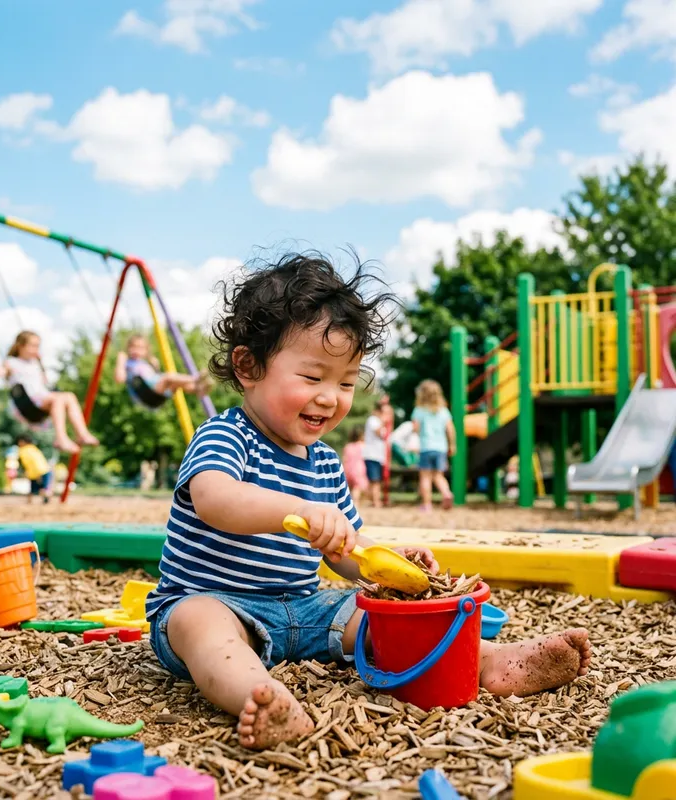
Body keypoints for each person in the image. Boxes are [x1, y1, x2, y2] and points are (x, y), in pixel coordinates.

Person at [144, 251, 591, 752]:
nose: (331, 397)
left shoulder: (326, 463)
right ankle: (260, 695)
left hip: (306, 607)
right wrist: (298, 512)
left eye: (346, 382)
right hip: (214, 599)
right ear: (248, 366)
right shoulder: (226, 435)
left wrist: (388, 564)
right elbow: (215, 500)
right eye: (312, 378)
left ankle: (487, 659)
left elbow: (346, 551)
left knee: (382, 616)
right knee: (202, 627)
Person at [0, 331, 99, 455]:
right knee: (58, 399)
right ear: (20, 346)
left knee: (69, 396)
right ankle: (61, 438)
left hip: (42, 398)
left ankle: (82, 434)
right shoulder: (12, 362)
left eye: (38, 346)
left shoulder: (35, 363)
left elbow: (45, 382)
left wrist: (41, 364)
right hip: (27, 403)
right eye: (33, 346)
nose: (36, 349)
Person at [114, 334, 210, 407]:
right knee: (168, 377)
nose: (136, 350)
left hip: (157, 393)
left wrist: (155, 366)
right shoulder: (127, 362)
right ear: (128, 348)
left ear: (146, 351)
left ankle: (198, 389)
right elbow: (120, 379)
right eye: (133, 347)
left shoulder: (145, 363)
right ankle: (196, 378)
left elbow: (154, 375)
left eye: (140, 348)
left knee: (176, 383)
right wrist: (120, 363)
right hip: (146, 393)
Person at [412, 379, 455, 511]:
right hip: (441, 448)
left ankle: (427, 505)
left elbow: (415, 429)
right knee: (438, 475)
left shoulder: (419, 410)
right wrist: (452, 445)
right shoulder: (443, 411)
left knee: (425, 477)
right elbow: (450, 429)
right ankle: (446, 493)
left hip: (426, 447)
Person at [362, 404, 387, 507]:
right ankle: (376, 502)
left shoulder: (378, 422)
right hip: (371, 455)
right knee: (375, 480)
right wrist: (383, 422)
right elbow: (377, 432)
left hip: (378, 456)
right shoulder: (373, 420)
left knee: (375, 480)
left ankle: (373, 500)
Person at [16, 435, 53, 504]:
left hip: (37, 472)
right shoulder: (33, 448)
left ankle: (30, 502)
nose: (18, 443)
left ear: (23, 442)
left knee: (36, 489)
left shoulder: (23, 450)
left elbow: (31, 463)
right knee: (43, 488)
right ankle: (45, 500)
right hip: (44, 469)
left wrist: (35, 474)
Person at [342, 427, 367, 506]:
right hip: (358, 469)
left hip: (348, 468)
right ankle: (355, 503)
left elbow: (344, 458)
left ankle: (348, 502)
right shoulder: (361, 445)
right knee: (357, 487)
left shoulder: (348, 446)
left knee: (350, 487)